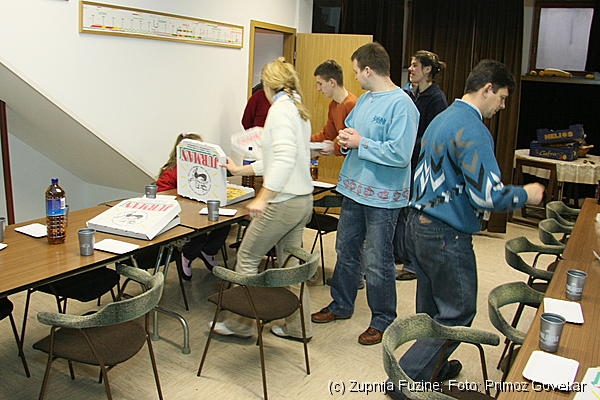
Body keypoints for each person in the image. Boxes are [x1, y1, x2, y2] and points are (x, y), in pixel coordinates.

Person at [387, 60, 545, 398]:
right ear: (487, 89)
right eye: (502, 98)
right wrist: (526, 194)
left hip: (418, 225)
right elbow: (487, 196)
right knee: (458, 313)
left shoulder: (442, 118)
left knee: (432, 311)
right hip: (445, 234)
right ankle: (405, 382)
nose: (502, 106)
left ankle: (431, 368)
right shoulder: (472, 129)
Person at [311, 42, 419, 346]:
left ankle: (383, 319)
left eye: (357, 71)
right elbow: (351, 134)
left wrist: (361, 143)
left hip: (383, 196)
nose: (355, 77)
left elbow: (401, 154)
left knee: (377, 259)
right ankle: (341, 304)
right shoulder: (366, 100)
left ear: (369, 70)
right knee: (346, 249)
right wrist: (345, 141)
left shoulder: (403, 105)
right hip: (353, 189)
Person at [215, 57, 315, 341]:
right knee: (291, 266)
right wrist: (241, 170)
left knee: (247, 257)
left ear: (267, 86)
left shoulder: (280, 111)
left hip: (283, 202)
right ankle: (298, 328)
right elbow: (278, 158)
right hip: (301, 200)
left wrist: (263, 196)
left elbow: (283, 159)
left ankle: (242, 324)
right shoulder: (297, 108)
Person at [395, 50, 448, 281]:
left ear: (427, 70)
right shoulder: (412, 94)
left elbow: (433, 137)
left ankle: (413, 265)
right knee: (403, 212)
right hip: (408, 161)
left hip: (422, 165)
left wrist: (406, 143)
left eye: (415, 65)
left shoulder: (436, 99)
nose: (411, 69)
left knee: (414, 214)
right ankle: (401, 255)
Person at [156, 133, 231, 280]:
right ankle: (188, 255)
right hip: (182, 210)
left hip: (201, 206)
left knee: (224, 224)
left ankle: (208, 252)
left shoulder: (204, 167)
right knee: (199, 231)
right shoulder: (172, 170)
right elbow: (162, 194)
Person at [310, 59, 358, 156]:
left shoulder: (352, 104)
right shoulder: (333, 105)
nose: (318, 89)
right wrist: (303, 141)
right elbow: (327, 134)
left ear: (332, 82)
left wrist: (335, 148)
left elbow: (355, 141)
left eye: (320, 84)